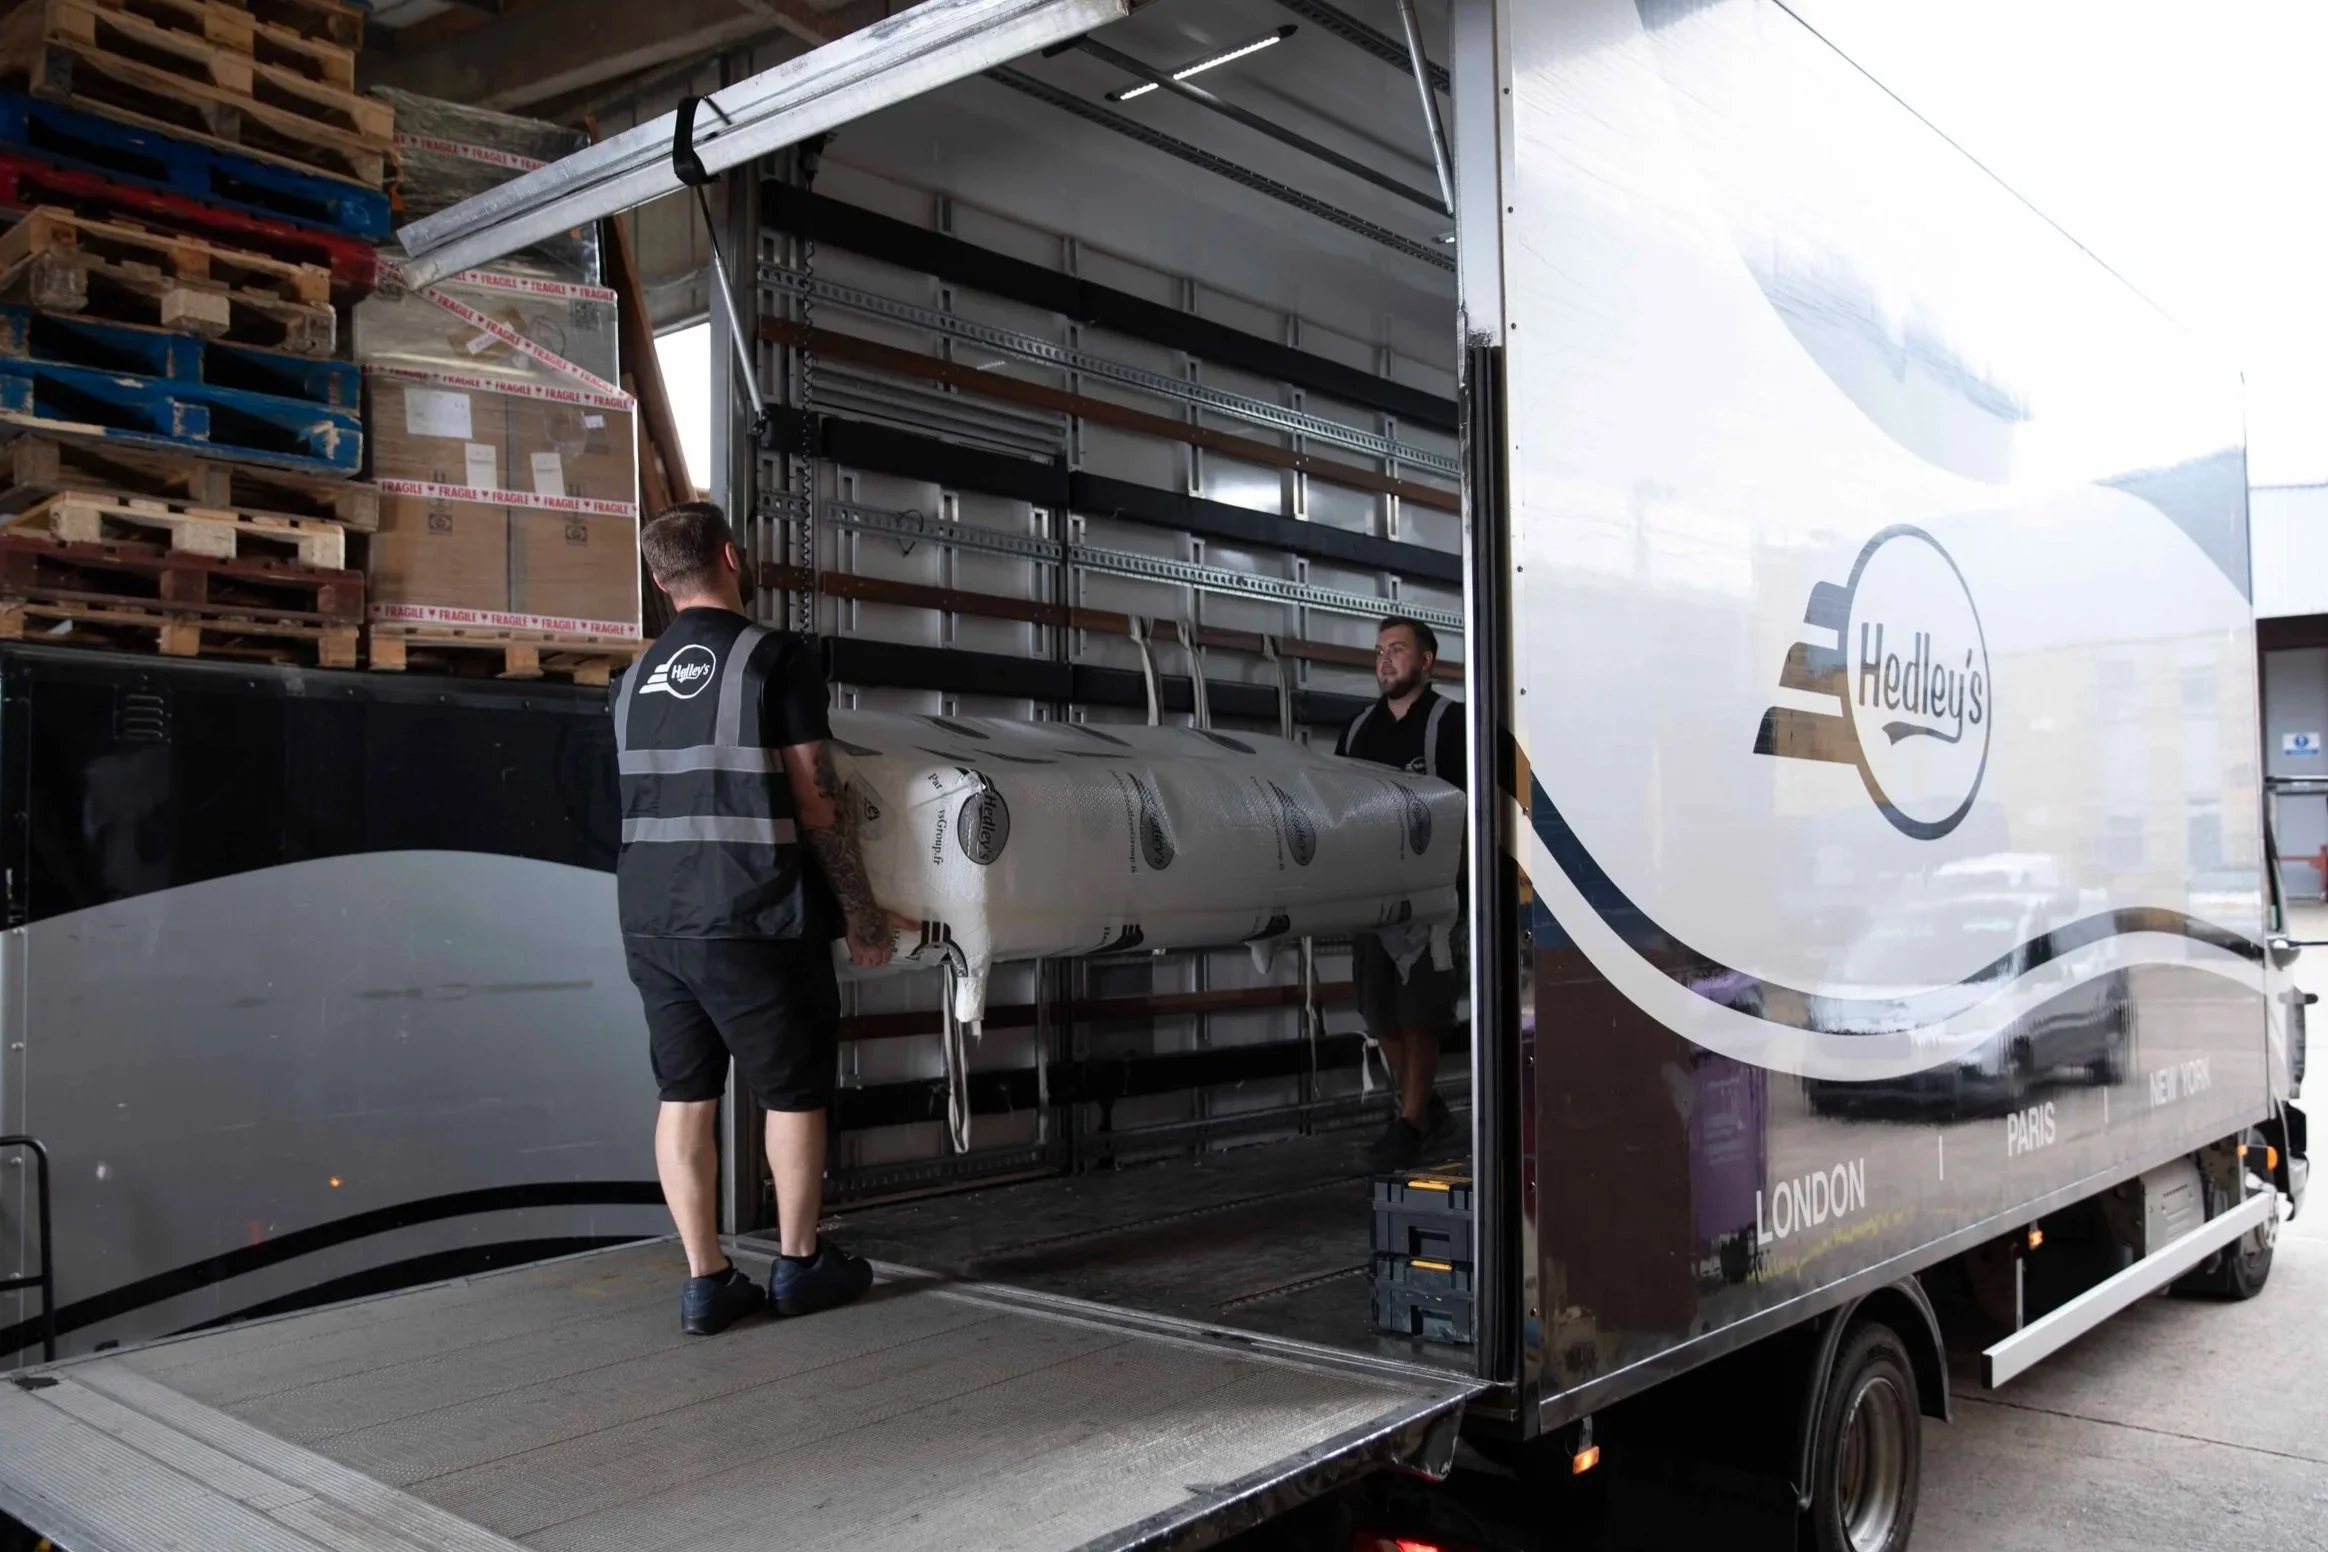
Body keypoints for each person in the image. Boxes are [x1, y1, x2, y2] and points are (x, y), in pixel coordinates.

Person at [612, 501, 909, 1334]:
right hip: (752, 911)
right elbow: (817, 801)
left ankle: (707, 1282)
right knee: (793, 1092)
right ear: (733, 559)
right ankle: (799, 1263)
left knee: (684, 1093)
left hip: (652, 919)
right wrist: (863, 915)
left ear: (660, 579)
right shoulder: (771, 659)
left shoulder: (631, 679)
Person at [1335, 615, 1466, 1168]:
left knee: (1420, 1012)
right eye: (1379, 651)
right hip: (1372, 897)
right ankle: (1427, 1105)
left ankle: (1410, 1124)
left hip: (1433, 899)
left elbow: (1471, 807)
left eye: (1398, 649)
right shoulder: (1359, 728)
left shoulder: (1454, 723)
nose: (1385, 660)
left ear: (1427, 661)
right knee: (1378, 1012)